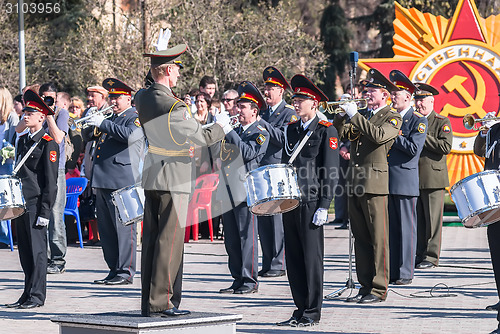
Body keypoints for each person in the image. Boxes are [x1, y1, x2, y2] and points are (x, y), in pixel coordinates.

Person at [135, 42, 230, 317]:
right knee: (170, 242)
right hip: (173, 177)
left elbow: (147, 88)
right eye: (175, 68)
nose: (178, 73)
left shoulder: (143, 97)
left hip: (153, 173)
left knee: (152, 241)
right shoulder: (173, 105)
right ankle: (162, 303)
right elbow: (199, 136)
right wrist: (221, 127)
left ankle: (148, 301)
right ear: (166, 70)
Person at [333, 68, 401, 304]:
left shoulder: (392, 116)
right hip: (356, 182)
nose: (367, 94)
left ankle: (379, 287)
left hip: (375, 183)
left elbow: (379, 136)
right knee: (360, 237)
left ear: (385, 95)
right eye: (366, 90)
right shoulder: (363, 114)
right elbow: (344, 133)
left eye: (372, 90)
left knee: (378, 238)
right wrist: (342, 114)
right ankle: (364, 285)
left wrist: (355, 115)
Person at [275, 74, 339, 327]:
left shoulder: (326, 130)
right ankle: (300, 307)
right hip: (291, 201)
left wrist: (324, 205)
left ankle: (312, 311)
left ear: (314, 103)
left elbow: (330, 171)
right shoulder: (291, 129)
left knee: (311, 258)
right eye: (295, 99)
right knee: (294, 258)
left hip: (312, 202)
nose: (296, 103)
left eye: (301, 100)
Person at [83, 78, 142, 285]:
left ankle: (125, 271)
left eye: (117, 98)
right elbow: (88, 136)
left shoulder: (133, 117)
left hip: (122, 180)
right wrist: (90, 121)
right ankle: (113, 268)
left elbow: (131, 136)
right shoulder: (110, 117)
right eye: (112, 98)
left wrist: (104, 123)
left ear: (128, 99)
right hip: (103, 179)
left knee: (124, 229)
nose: (114, 101)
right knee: (107, 229)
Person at [5, 89, 59, 309]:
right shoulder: (24, 140)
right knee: (26, 252)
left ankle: (37, 296)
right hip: (21, 203)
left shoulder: (48, 143)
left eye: (31, 112)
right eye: (25, 111)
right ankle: (27, 293)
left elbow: (51, 182)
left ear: (42, 117)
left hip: (37, 204)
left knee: (38, 253)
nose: (25, 115)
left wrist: (45, 212)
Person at [217, 81, 269, 295]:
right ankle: (237, 277)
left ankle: (249, 279)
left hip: (246, 190)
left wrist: (229, 131)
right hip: (228, 188)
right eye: (237, 106)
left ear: (254, 110)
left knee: (246, 236)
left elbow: (247, 153)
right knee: (230, 237)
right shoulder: (235, 130)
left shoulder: (260, 131)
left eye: (243, 107)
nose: (238, 110)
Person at [387, 70, 427, 285]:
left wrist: (393, 133)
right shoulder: (391, 118)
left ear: (408, 97)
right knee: (392, 230)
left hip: (404, 181)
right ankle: (394, 270)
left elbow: (413, 149)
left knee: (406, 230)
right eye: (392, 92)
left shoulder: (417, 121)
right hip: (387, 180)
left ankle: (405, 272)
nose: (393, 96)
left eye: (397, 93)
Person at [257, 66, 297, 278]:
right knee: (263, 218)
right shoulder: (262, 112)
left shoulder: (289, 114)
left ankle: (278, 263)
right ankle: (267, 260)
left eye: (271, 88)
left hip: (278, 171)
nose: (267, 92)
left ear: (281, 91)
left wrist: (261, 123)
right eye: (266, 87)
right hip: (261, 170)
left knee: (276, 220)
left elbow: (283, 139)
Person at [414, 83, 452, 270]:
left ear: (431, 101)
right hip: (415, 177)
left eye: (422, 101)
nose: (419, 105)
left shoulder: (441, 121)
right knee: (419, 220)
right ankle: (420, 254)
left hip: (433, 178)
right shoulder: (413, 121)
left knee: (432, 221)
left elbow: (445, 147)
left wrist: (422, 134)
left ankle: (431, 256)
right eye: (417, 100)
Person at [473, 105, 500, 324]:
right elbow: (480, 151)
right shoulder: (496, 129)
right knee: (497, 259)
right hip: (495, 204)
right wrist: (484, 133)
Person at [0, 88, 20, 248]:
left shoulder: (12, 117)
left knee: (6, 202)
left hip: (7, 165)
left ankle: (8, 239)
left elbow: (14, 142)